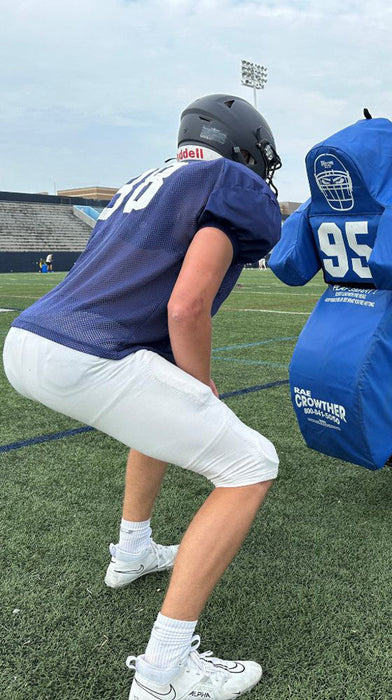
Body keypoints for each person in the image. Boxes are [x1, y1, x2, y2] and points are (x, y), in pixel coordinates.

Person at [3, 94, 283, 699]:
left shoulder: (148, 181)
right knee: (252, 465)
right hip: (88, 354)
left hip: (30, 339)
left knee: (151, 413)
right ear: (244, 151)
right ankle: (164, 672)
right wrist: (201, 383)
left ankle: (132, 550)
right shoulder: (228, 185)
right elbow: (186, 306)